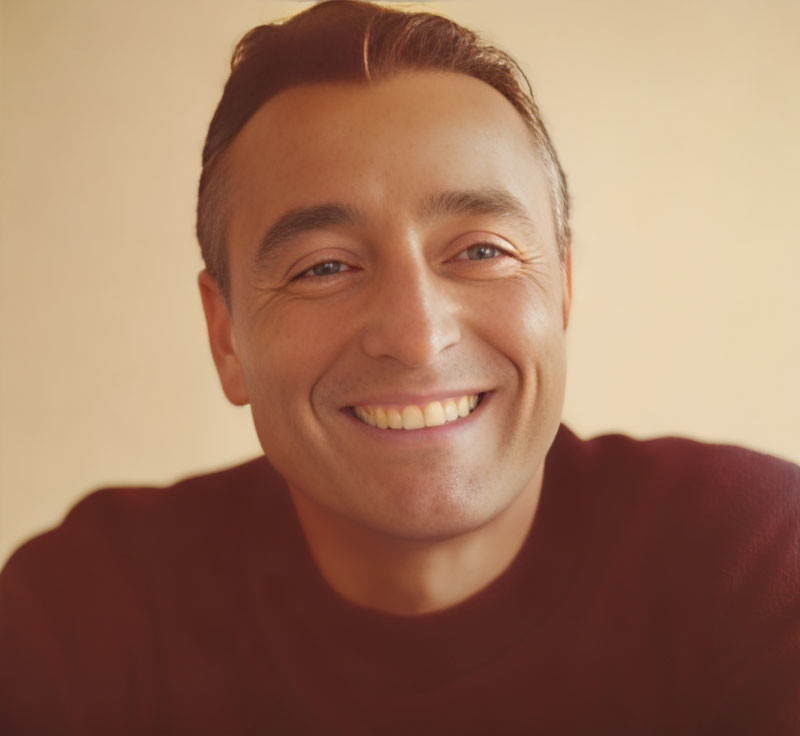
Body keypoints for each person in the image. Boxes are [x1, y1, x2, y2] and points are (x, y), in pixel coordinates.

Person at [1, 1, 798, 732]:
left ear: (562, 286)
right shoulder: (87, 618)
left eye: (481, 251)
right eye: (323, 267)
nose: (417, 336)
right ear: (227, 337)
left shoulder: (756, 563)